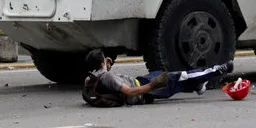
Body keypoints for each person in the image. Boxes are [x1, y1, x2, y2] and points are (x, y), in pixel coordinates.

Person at [82, 49, 234, 107]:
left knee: (174, 78)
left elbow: (109, 83)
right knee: (179, 77)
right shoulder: (107, 76)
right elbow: (129, 91)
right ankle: (218, 70)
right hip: (144, 89)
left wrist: (106, 67)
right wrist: (153, 85)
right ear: (102, 63)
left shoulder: (91, 78)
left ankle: (196, 85)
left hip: (140, 81)